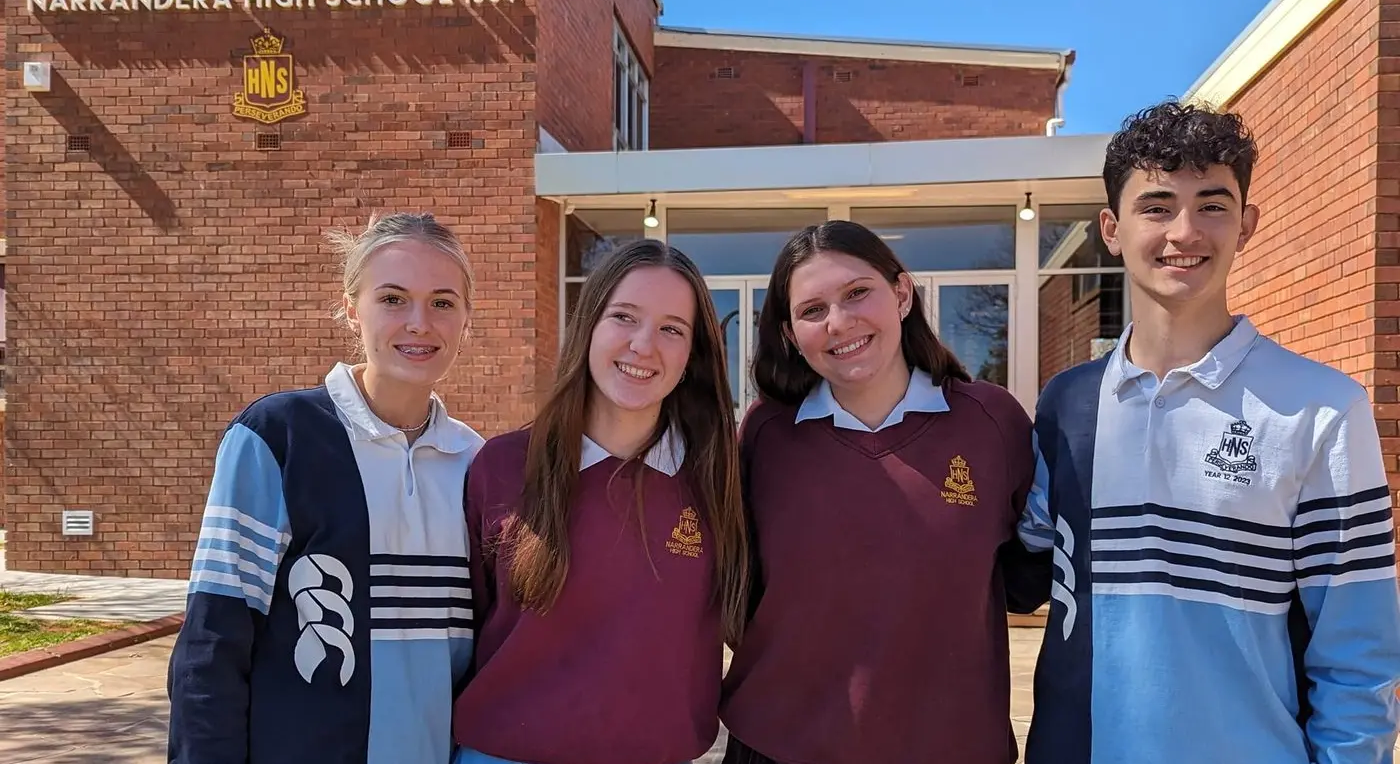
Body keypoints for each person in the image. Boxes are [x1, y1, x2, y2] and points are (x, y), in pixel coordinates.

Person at [1020, 101, 1400, 763]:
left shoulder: (1323, 409)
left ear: (1247, 223)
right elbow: (1013, 571)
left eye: (1213, 205)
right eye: (1158, 205)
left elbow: (1359, 657)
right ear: (1112, 227)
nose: (1185, 231)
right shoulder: (1067, 406)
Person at [719, 219, 1049, 764]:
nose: (840, 322)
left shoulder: (991, 422)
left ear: (900, 294)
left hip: (948, 746)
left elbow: (1023, 578)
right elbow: (738, 583)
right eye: (812, 310)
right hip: (779, 744)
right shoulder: (765, 435)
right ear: (788, 334)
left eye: (856, 293)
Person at [167, 212, 485, 764]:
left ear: (465, 319)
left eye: (442, 301)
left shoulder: (476, 462)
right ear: (350, 308)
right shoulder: (277, 437)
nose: (419, 322)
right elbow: (212, 643)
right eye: (392, 298)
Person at [450, 238, 748, 764]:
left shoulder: (717, 481)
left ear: (692, 355)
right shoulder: (501, 466)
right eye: (624, 317)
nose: (642, 345)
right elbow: (458, 633)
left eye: (672, 329)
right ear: (590, 325)